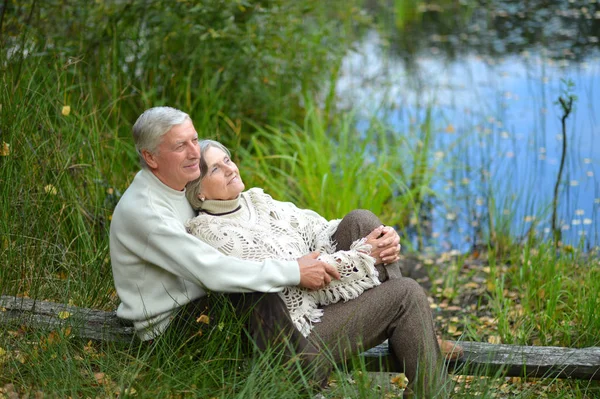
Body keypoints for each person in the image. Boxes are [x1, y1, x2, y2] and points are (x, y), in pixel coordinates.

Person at [110, 106, 449, 397]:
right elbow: (215, 270)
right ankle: (305, 371)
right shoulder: (151, 213)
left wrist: (377, 240)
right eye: (180, 146)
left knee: (362, 221)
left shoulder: (200, 189)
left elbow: (310, 228)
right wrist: (314, 266)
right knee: (405, 295)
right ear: (150, 157)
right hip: (186, 329)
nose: (192, 153)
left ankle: (418, 335)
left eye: (194, 140)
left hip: (237, 308)